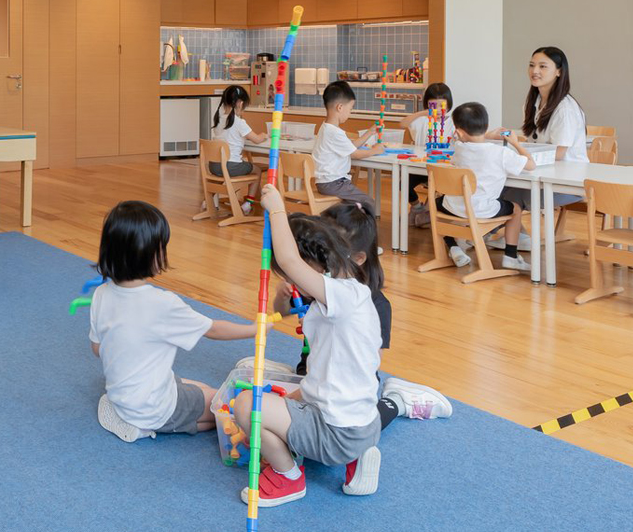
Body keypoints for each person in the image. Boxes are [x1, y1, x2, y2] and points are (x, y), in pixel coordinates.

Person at [229, 185, 383, 507]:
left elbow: (289, 258)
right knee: (272, 397)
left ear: (318, 264)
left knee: (245, 406)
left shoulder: (340, 296)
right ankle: (356, 454)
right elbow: (285, 315)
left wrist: (276, 208)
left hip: (338, 433)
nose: (294, 281)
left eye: (296, 275)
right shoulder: (347, 293)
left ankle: (288, 478)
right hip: (362, 422)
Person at [88, 200, 255, 442]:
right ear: (148, 253)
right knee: (224, 407)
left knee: (202, 388)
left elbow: (97, 349)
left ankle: (131, 415)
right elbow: (214, 330)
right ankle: (142, 427)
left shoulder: (101, 294)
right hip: (153, 408)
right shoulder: (162, 303)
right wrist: (255, 330)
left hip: (121, 395)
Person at [318, 203, 452, 425]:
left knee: (351, 426)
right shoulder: (321, 285)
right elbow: (283, 310)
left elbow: (369, 363)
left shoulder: (376, 304)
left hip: (348, 387)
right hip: (316, 377)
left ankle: (398, 402)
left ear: (358, 258)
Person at [486, 46, 586, 264]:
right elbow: (533, 143)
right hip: (541, 172)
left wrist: (521, 151)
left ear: (559, 71)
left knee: (509, 195)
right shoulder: (534, 102)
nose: (535, 71)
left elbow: (560, 153)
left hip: (567, 181)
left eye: (543, 66)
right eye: (532, 65)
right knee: (495, 185)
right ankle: (515, 236)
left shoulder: (565, 108)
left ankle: (508, 243)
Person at [438, 102, 535, 271]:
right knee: (516, 208)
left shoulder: (459, 148)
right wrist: (515, 143)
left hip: (454, 207)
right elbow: (531, 165)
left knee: (436, 203)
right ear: (486, 125)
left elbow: (462, 139)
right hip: (482, 210)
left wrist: (487, 135)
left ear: (458, 132)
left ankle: (453, 245)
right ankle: (511, 256)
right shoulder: (501, 153)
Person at [312, 81, 384, 214]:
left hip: (327, 182)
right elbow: (355, 154)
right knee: (368, 203)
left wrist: (370, 132)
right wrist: (375, 151)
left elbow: (350, 147)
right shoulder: (334, 132)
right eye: (350, 109)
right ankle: (358, 227)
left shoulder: (326, 128)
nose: (350, 113)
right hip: (333, 183)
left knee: (357, 204)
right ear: (340, 107)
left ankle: (345, 222)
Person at [405, 83, 454, 226]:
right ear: (427, 105)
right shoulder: (422, 121)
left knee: (439, 188)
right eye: (433, 105)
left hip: (441, 170)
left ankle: (427, 211)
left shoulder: (453, 123)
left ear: (449, 105)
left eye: (442, 105)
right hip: (420, 167)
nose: (437, 110)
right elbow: (403, 123)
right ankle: (417, 207)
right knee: (403, 183)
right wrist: (423, 113)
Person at [211, 84, 267, 179]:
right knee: (257, 170)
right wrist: (264, 135)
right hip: (230, 166)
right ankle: (253, 190)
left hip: (214, 165)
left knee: (248, 166)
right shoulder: (239, 122)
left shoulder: (218, 119)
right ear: (240, 104)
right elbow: (257, 139)